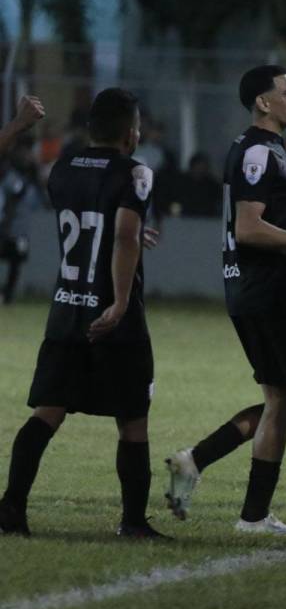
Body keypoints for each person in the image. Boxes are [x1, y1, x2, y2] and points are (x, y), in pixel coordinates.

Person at [163, 65, 286, 535]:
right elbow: (249, 228)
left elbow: (269, 220)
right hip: (266, 290)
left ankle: (194, 462)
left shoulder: (262, 147)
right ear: (264, 102)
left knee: (283, 400)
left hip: (260, 289)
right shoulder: (259, 150)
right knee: (283, 402)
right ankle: (251, 515)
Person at [0, 88, 167, 539]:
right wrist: (119, 302)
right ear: (131, 134)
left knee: (47, 413)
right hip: (114, 318)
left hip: (66, 310)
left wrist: (16, 126)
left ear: (91, 129)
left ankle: (11, 510)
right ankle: (132, 522)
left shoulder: (63, 167)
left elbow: (97, 219)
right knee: (132, 419)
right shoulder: (137, 172)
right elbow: (124, 238)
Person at [1, 137, 46, 303]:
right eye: (25, 152)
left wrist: (36, 176)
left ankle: (8, 296)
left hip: (21, 230)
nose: (28, 156)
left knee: (16, 263)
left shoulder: (32, 179)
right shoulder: (10, 174)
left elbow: (44, 201)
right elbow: (15, 194)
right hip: (6, 228)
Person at [168, 152, 222, 218]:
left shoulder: (212, 185)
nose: (201, 169)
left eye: (203, 166)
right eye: (199, 166)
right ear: (192, 166)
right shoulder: (181, 182)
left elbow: (217, 203)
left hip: (206, 220)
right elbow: (175, 202)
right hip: (184, 219)